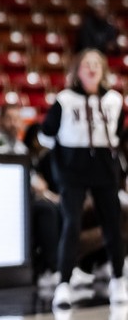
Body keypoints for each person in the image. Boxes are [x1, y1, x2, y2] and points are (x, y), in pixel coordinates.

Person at [41, 48, 128, 309]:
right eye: (86, 64)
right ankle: (64, 283)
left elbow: (119, 134)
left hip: (104, 166)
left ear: (103, 70)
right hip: (73, 167)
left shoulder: (114, 100)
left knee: (113, 224)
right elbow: (45, 135)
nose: (91, 69)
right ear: (77, 71)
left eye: (96, 64)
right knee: (72, 223)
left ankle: (118, 280)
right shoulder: (65, 99)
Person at [0, 107, 59, 290]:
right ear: (0, 121)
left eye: (17, 120)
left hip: (20, 199)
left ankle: (53, 268)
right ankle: (52, 269)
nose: (14, 124)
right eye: (9, 119)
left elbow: (34, 180)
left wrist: (45, 191)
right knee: (46, 210)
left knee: (56, 207)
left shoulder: (20, 147)